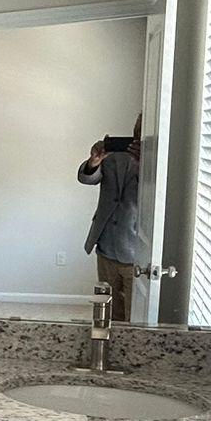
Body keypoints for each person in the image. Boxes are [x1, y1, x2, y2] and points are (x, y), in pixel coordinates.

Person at [76, 116, 145, 322]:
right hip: (106, 246)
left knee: (135, 315)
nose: (140, 133)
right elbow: (87, 178)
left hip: (137, 254)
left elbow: (157, 196)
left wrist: (146, 165)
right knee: (107, 311)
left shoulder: (160, 163)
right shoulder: (115, 156)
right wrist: (94, 162)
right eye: (139, 128)